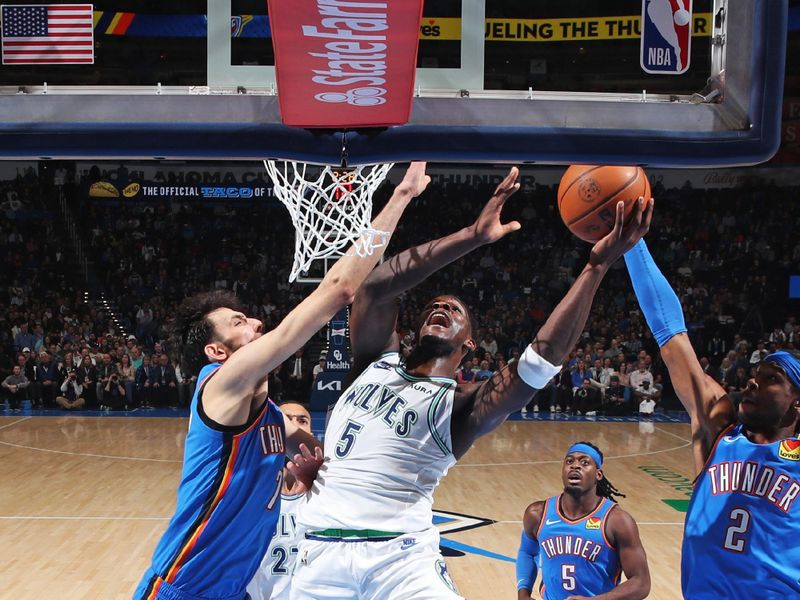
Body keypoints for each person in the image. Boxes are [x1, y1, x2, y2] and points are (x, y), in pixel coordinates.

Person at [291, 172, 652, 599]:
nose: (441, 307)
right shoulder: (374, 360)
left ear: (470, 342)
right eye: (433, 306)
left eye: (454, 309)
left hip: (400, 560)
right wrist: (473, 236)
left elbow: (539, 362)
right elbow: (375, 285)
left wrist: (595, 267)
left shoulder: (464, 404)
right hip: (319, 550)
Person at [133, 162, 428, 600]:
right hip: (186, 587)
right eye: (238, 322)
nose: (255, 321)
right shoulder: (220, 383)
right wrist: (401, 195)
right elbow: (339, 291)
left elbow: (321, 458)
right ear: (217, 351)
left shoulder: (270, 416)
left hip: (237, 591)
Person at [623, 238, 800, 597]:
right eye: (755, 374)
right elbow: (671, 334)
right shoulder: (719, 431)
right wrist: (631, 244)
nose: (753, 380)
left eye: (771, 380)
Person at [516, 442, 650, 600]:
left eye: (584, 462)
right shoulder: (537, 514)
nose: (575, 466)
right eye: (569, 461)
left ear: (598, 474)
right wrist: (523, 593)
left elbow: (641, 583)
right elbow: (527, 552)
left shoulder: (617, 521)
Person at [246, 402, 313, 600]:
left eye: (302, 421)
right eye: (285, 420)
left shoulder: (329, 491)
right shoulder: (249, 490)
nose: (293, 426)